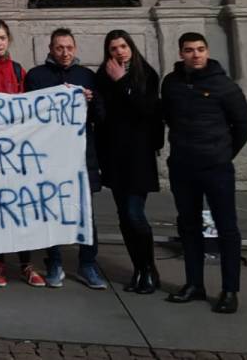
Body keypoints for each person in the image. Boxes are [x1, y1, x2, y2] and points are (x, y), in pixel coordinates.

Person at [162, 32, 247, 315]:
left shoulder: (224, 86)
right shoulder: (172, 83)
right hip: (182, 166)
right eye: (189, 50)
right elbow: (168, 116)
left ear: (207, 51)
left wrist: (223, 153)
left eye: (200, 49)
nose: (196, 54)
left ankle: (229, 290)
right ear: (181, 54)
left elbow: (244, 125)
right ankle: (194, 284)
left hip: (216, 168)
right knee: (188, 227)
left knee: (227, 229)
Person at [24, 28, 106, 290]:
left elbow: (100, 118)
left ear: (75, 48)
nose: (65, 52)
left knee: (85, 211)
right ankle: (55, 261)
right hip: (48, 158)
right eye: (59, 48)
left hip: (81, 157)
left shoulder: (87, 77)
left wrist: (90, 102)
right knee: (51, 211)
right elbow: (28, 115)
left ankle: (88, 263)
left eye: (69, 47)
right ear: (50, 49)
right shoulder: (37, 76)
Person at [0, 18, 46, 288]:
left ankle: (26, 264)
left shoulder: (19, 70)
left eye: (2, 38)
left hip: (15, 151)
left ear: (9, 40)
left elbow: (31, 106)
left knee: (20, 207)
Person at [95, 29, 163, 296]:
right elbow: (102, 118)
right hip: (115, 156)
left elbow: (146, 110)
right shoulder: (103, 77)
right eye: (113, 48)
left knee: (135, 214)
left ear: (131, 48)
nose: (119, 52)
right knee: (124, 216)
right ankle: (138, 268)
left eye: (123, 46)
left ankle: (149, 268)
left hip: (138, 156)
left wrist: (122, 81)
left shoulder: (146, 75)